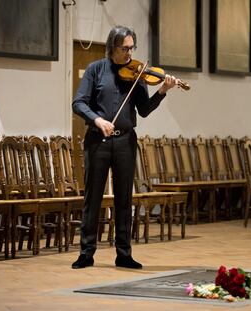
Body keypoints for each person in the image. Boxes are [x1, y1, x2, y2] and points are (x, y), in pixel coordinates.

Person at [71, 25, 178, 269]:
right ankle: (86, 253)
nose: (129, 53)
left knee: (124, 199)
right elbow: (78, 103)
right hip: (97, 140)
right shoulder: (95, 70)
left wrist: (162, 90)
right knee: (93, 196)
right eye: (125, 48)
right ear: (112, 47)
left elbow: (144, 110)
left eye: (132, 48)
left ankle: (124, 253)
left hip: (125, 141)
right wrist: (97, 120)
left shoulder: (138, 74)